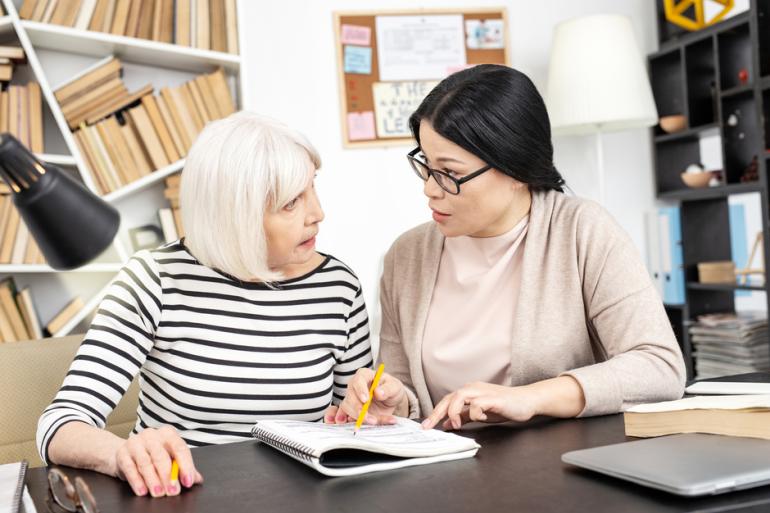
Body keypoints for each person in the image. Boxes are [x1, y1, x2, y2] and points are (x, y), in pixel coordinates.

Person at [329, 64, 685, 431]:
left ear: (515, 168)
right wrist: (389, 398)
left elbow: (659, 367)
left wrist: (529, 398)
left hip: (556, 469)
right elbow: (408, 396)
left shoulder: (582, 231)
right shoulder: (407, 254)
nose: (430, 189)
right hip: (441, 472)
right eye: (426, 164)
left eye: (449, 173)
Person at [37, 112, 372, 498]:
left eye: (312, 188)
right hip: (180, 497)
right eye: (292, 202)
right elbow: (59, 424)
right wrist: (124, 455)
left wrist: (371, 411)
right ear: (236, 214)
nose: (318, 214)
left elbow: (351, 422)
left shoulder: (338, 286)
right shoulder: (155, 278)